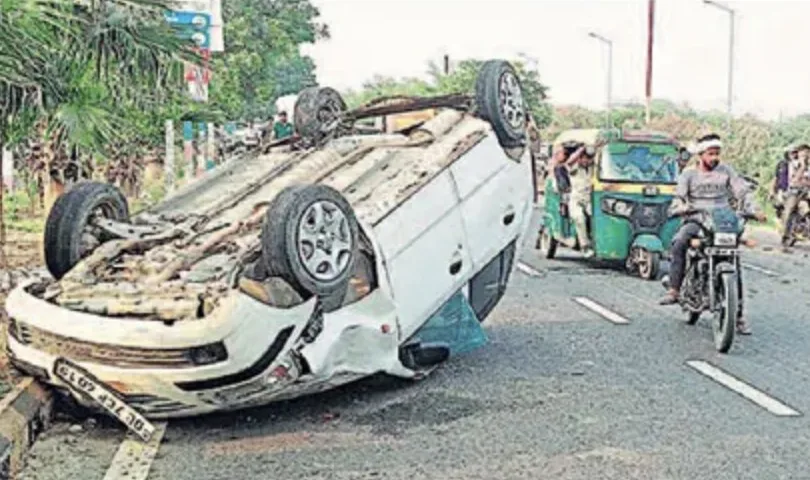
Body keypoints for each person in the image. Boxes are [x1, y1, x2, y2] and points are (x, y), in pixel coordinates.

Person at [659, 133, 766, 335]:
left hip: (723, 220)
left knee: (733, 260)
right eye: (710, 154)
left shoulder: (727, 171)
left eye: (717, 154)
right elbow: (679, 196)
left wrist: (755, 209)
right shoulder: (688, 175)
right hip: (697, 218)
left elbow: (743, 192)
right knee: (680, 241)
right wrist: (681, 207)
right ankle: (674, 288)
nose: (715, 158)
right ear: (700, 154)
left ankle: (738, 315)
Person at [567, 144, 596, 257]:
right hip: (576, 199)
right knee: (579, 219)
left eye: (588, 158)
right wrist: (582, 149)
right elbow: (569, 162)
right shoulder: (575, 168)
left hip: (590, 200)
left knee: (597, 216)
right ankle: (585, 246)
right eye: (584, 158)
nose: (586, 160)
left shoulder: (593, 168)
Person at [780, 143, 810, 245]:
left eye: (807, 153)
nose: (805, 155)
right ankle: (785, 235)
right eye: (803, 153)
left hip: (806, 192)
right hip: (794, 191)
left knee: (805, 209)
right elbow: (794, 180)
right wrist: (802, 166)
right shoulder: (793, 164)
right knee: (788, 211)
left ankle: (804, 229)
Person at [770, 145, 796, 219]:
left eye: (795, 152)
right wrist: (771, 190)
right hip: (782, 190)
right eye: (792, 153)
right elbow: (775, 177)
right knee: (780, 205)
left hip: (794, 189)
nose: (793, 154)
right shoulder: (781, 164)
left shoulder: (798, 164)